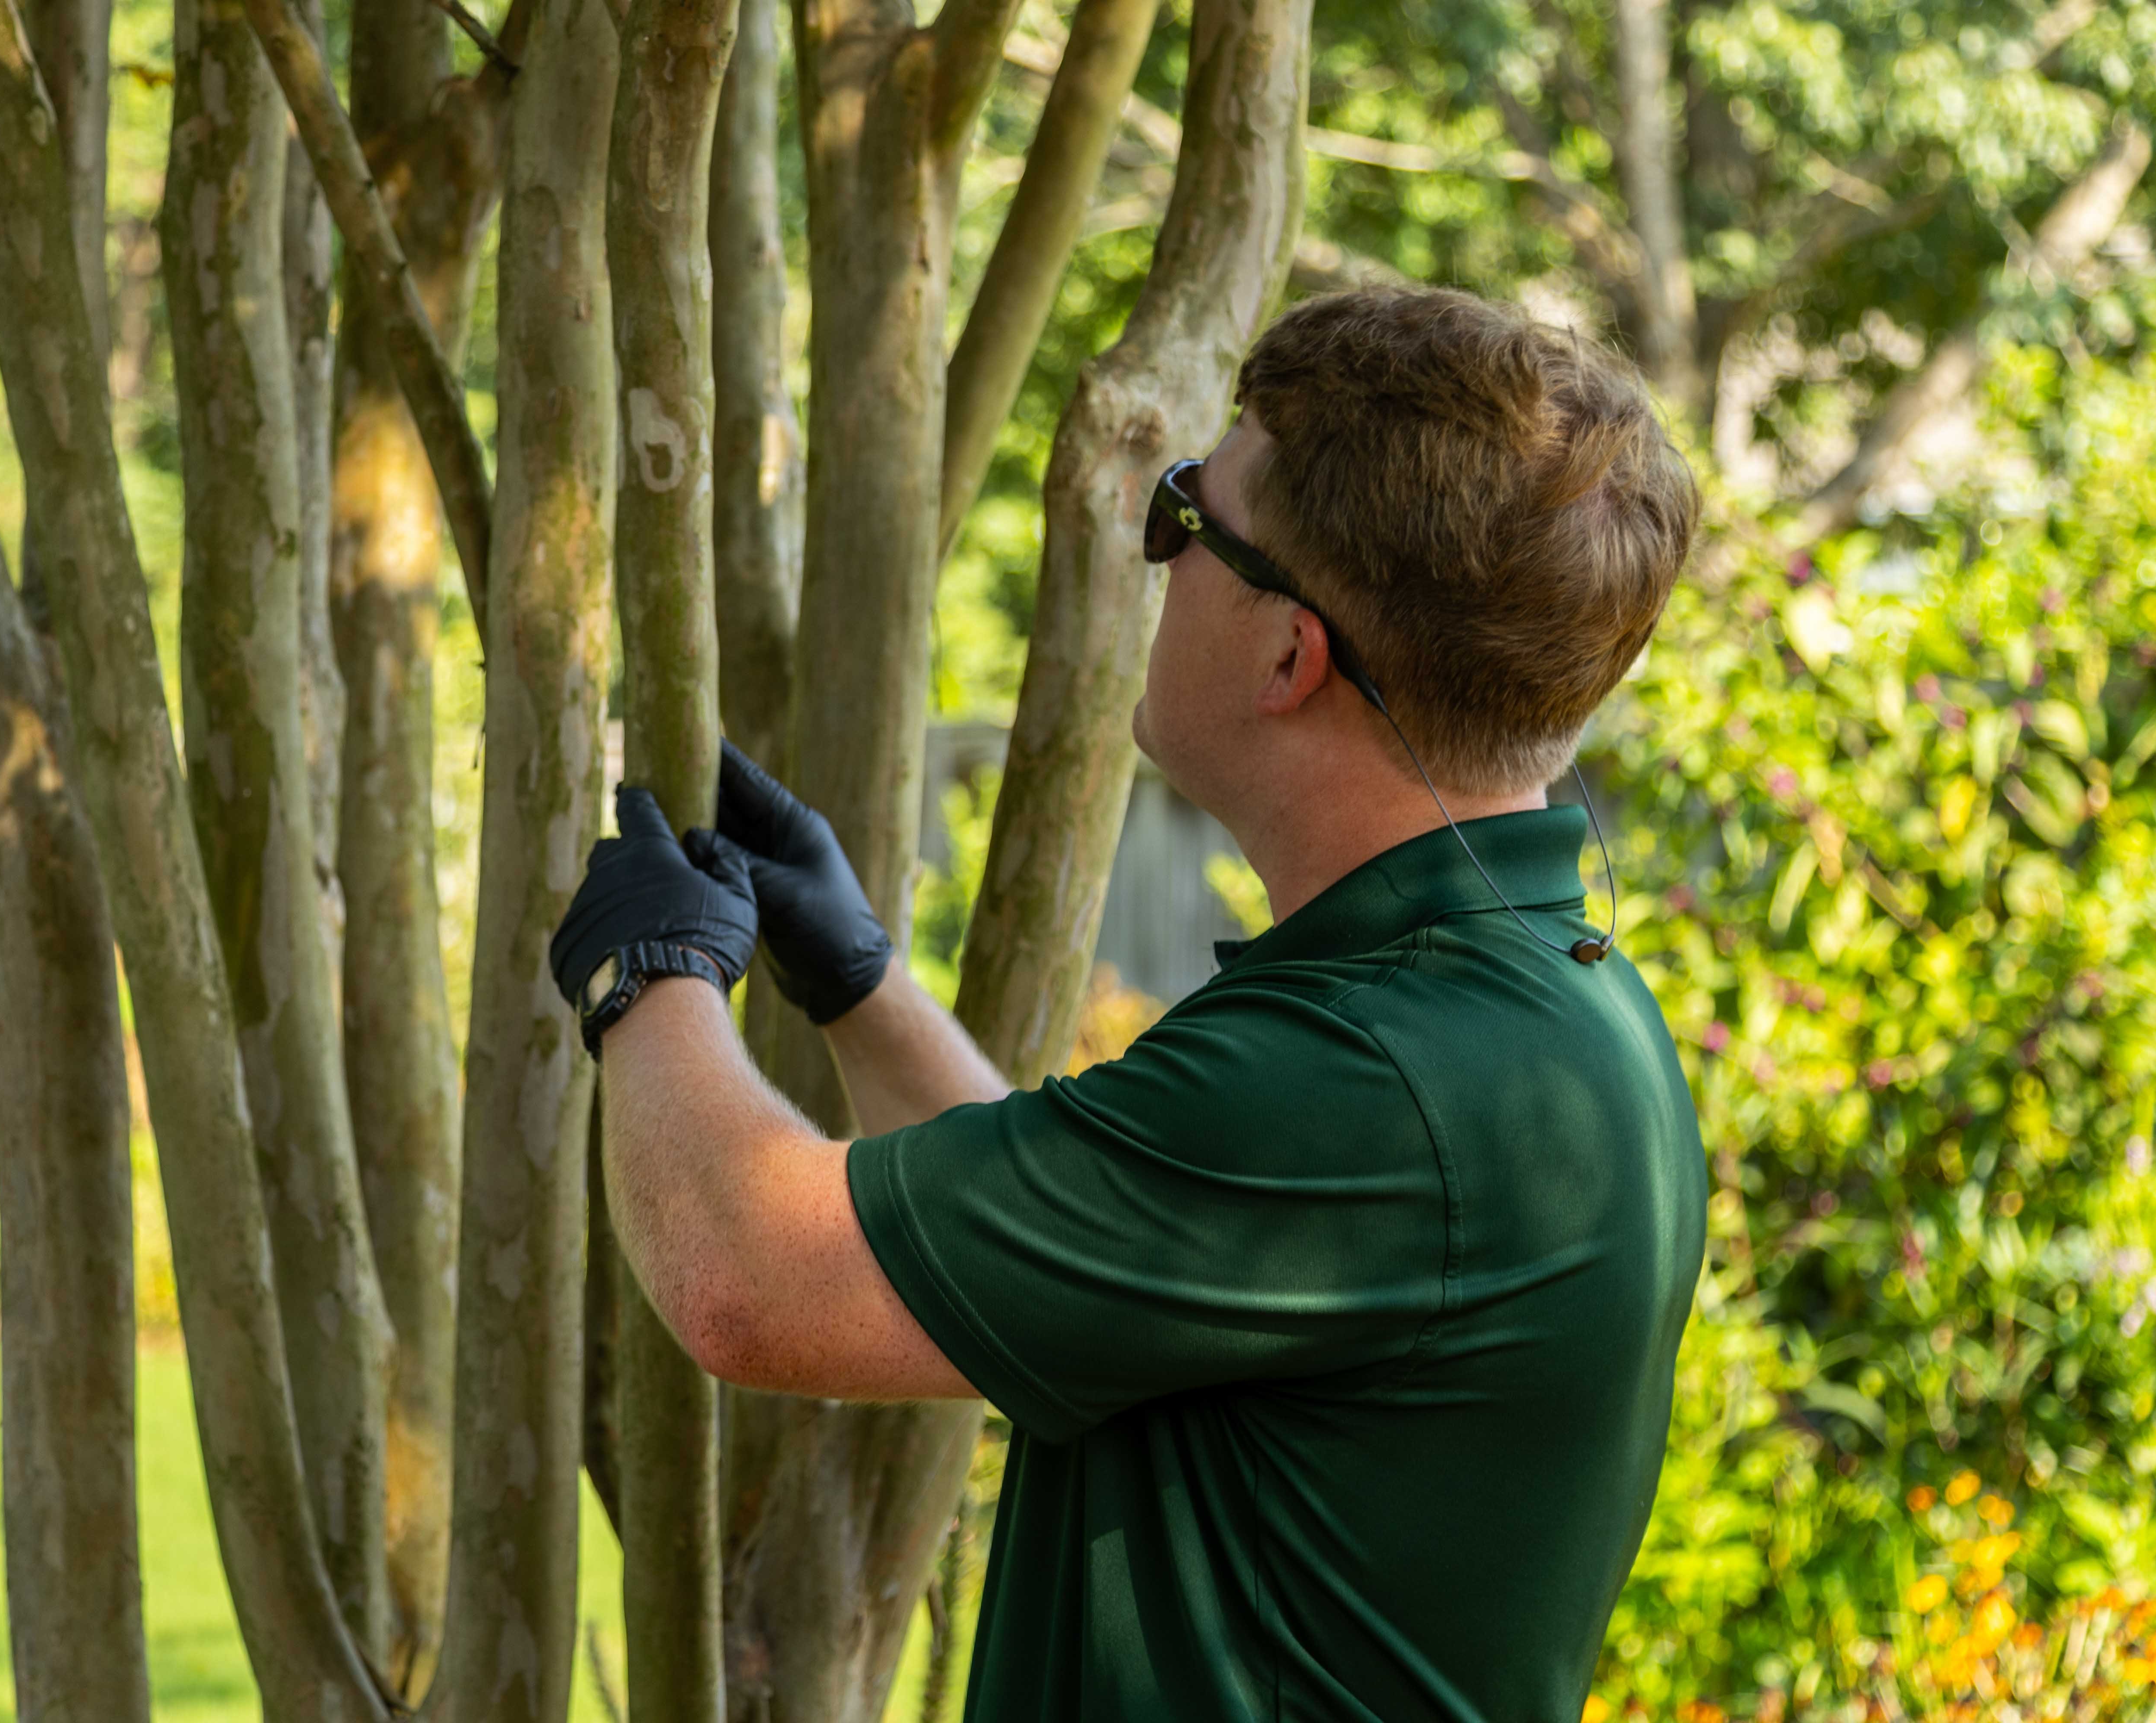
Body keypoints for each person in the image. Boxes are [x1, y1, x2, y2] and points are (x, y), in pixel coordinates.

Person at [548, 283, 1709, 1722]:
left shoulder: (1367, 1080)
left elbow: (747, 1282)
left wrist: (643, 976)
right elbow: (1094, 1257)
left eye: (1184, 518)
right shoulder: (1528, 1009)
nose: (1152, 557)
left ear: (1291, 656)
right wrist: (859, 987)